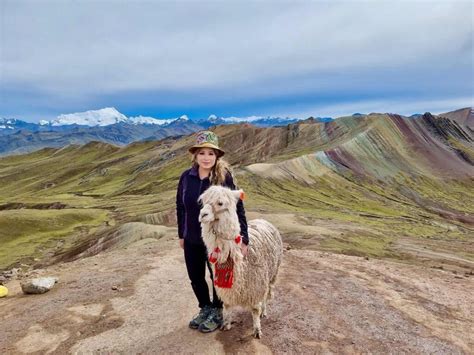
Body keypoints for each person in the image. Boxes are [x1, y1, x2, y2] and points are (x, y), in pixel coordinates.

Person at [176, 130, 249, 333]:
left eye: (211, 153)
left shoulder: (224, 178)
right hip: (192, 238)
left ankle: (217, 311)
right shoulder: (186, 178)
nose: (206, 158)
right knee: (195, 276)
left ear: (216, 156)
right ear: (195, 155)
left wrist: (244, 239)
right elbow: (180, 206)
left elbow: (238, 208)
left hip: (217, 241)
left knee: (217, 276)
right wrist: (181, 234)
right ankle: (204, 308)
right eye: (202, 153)